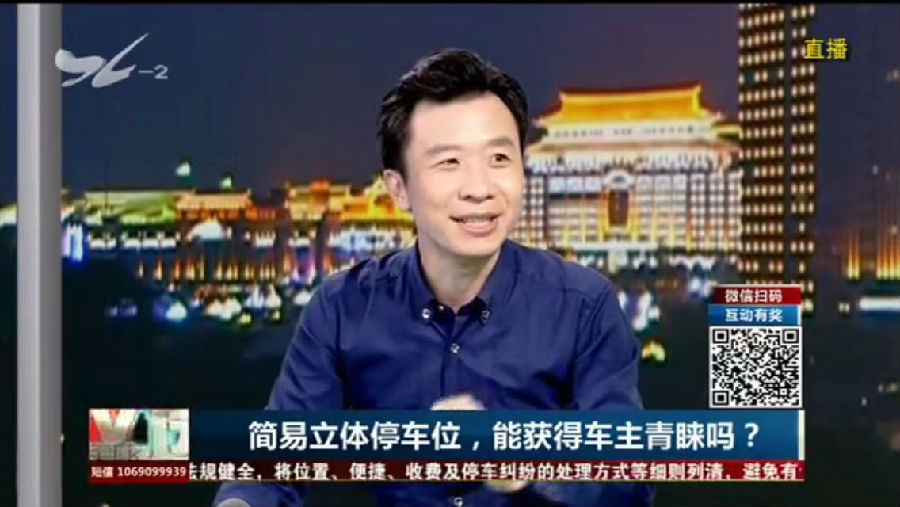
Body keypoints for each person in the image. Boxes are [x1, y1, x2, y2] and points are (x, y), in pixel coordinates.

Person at [213, 48, 655, 507]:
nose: (480, 189)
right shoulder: (343, 308)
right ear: (398, 189)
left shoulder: (583, 304)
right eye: (449, 163)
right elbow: (273, 461)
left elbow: (626, 482)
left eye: (499, 158)